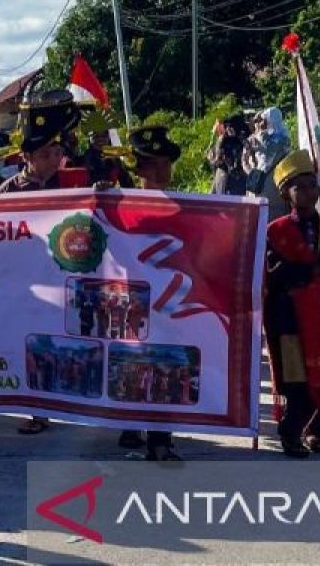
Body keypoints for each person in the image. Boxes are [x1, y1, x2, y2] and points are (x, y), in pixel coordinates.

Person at [0, 92, 82, 434]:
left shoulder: (76, 185)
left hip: (66, 282)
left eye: (58, 153)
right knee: (31, 345)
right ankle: (36, 410)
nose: (54, 159)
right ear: (28, 157)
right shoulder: (9, 191)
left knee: (65, 344)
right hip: (24, 285)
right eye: (45, 154)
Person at [264, 149, 320, 458]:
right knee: (298, 377)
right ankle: (290, 433)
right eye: (299, 186)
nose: (308, 192)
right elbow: (273, 274)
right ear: (287, 193)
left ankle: (318, 431)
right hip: (291, 315)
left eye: (312, 185)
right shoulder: (275, 232)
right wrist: (315, 269)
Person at [115, 125, 184, 462]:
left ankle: (161, 437)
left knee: (163, 367)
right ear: (138, 169)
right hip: (132, 302)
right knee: (134, 366)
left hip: (169, 302)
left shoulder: (185, 207)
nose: (163, 170)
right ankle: (131, 424)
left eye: (166, 162)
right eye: (155, 163)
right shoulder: (122, 205)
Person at [245, 107, 291, 220]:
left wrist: (257, 131)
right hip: (264, 183)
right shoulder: (285, 136)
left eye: (263, 119)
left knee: (269, 217)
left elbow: (266, 151)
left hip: (270, 185)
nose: (260, 123)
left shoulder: (274, 139)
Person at [207, 114, 248, 196]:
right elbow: (213, 160)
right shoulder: (223, 140)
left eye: (231, 126)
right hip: (223, 177)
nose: (229, 129)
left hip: (237, 180)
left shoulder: (244, 141)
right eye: (227, 126)